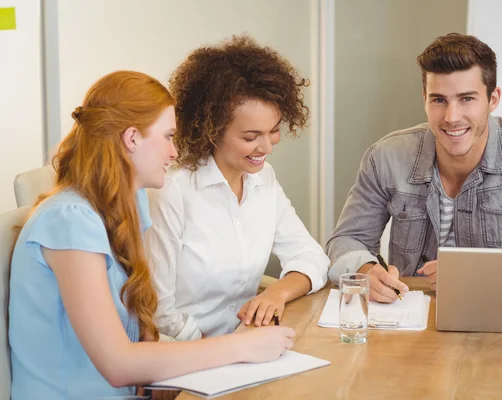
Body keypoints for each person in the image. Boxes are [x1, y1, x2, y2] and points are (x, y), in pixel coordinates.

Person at [8, 70, 295, 400]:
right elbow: (118, 363)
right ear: (132, 138)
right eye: (168, 136)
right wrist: (240, 346)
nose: (174, 152)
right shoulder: (69, 219)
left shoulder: (127, 205)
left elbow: (133, 341)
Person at [327, 33, 502, 300]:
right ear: (424, 98)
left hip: (501, 310)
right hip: (408, 314)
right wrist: (366, 269)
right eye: (439, 100)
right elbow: (345, 241)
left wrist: (477, 273)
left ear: (493, 99)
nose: (451, 117)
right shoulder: (386, 156)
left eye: (467, 99)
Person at [145, 35, 329, 340]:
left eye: (273, 132)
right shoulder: (170, 191)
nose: (266, 147)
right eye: (250, 137)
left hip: (245, 345)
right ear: (211, 130)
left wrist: (276, 295)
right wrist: (225, 353)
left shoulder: (263, 178)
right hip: (187, 358)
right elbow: (159, 313)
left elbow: (312, 256)